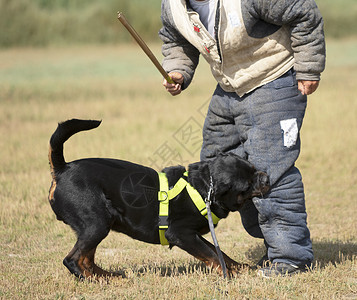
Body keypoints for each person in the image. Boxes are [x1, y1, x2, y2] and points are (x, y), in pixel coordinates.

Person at [159, 0, 325, 277]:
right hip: (229, 88)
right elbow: (176, 38)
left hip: (276, 79)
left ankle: (291, 257)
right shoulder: (172, 5)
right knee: (217, 168)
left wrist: (308, 67)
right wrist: (178, 70)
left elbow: (303, 11)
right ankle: (273, 244)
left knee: (270, 172)